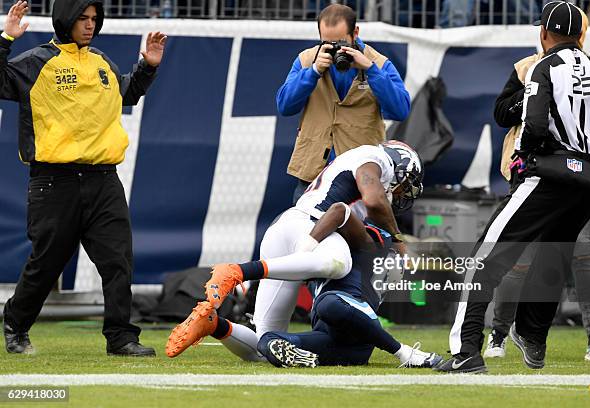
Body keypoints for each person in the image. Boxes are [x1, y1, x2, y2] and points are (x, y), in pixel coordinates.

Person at [435, 1, 590, 373]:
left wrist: (529, 155)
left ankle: (466, 349)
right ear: (582, 35)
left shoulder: (542, 66)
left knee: (487, 256)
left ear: (544, 33)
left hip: (549, 175)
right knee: (556, 255)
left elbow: (533, 122)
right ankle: (533, 335)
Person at [1, 0, 166, 356]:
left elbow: (126, 94)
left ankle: (121, 337)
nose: (90, 25)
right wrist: (5, 39)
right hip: (53, 181)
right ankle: (15, 322)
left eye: (94, 19)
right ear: (65, 20)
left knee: (118, 261)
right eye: (82, 18)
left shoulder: (102, 63)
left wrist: (147, 68)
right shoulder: (36, 62)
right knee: (47, 262)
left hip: (104, 179)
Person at [165, 141, 424, 360]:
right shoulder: (376, 158)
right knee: (338, 263)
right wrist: (400, 241)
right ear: (400, 165)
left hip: (286, 227)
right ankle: (237, 271)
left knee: (265, 345)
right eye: (407, 182)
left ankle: (214, 324)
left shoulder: (361, 161)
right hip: (313, 224)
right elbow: (373, 200)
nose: (402, 192)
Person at [166, 201, 442, 369]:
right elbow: (340, 211)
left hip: (355, 334)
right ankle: (217, 323)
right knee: (277, 335)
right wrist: (306, 247)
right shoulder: (368, 243)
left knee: (305, 318)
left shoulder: (377, 254)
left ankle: (405, 353)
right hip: (340, 330)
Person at [483, 6, 590, 363]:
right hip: (540, 174)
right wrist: (536, 95)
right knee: (518, 258)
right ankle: (498, 333)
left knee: (581, 254)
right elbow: (501, 113)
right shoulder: (529, 67)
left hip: (578, 173)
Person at [277, 4, 410, 204]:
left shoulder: (379, 63)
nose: (335, 49)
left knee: (361, 235)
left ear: (355, 33)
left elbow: (401, 110)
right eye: (327, 42)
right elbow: (285, 106)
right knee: (308, 233)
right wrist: (312, 72)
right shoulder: (306, 60)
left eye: (340, 42)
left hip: (360, 179)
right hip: (313, 176)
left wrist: (371, 70)